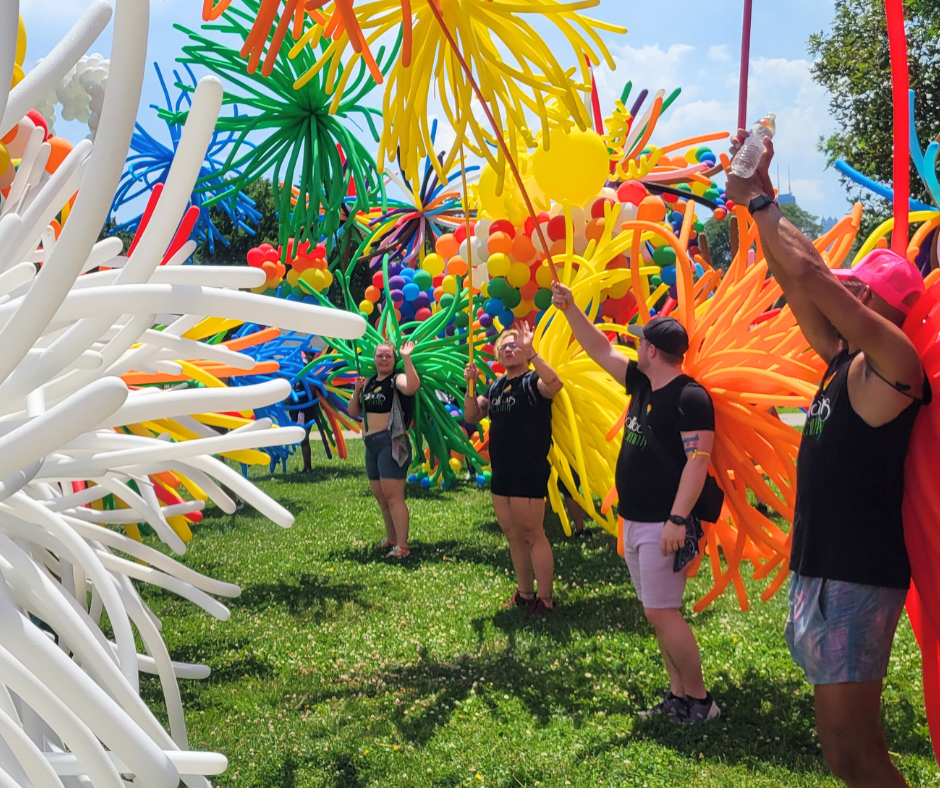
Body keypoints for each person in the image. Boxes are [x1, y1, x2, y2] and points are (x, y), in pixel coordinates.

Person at [725, 132, 929, 787]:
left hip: (858, 575)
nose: (846, 297)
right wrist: (763, 198)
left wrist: (758, 201)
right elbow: (797, 275)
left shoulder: (896, 367)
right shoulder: (846, 362)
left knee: (850, 752)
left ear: (874, 303)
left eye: (858, 292)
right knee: (845, 746)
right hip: (822, 567)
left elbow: (812, 274)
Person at [551, 284, 720, 724]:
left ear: (652, 349)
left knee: (662, 612)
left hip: (664, 523)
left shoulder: (689, 397)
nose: (634, 345)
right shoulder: (643, 383)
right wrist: (571, 311)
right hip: (637, 520)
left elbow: (697, 464)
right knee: (657, 613)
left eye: (641, 340)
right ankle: (678, 696)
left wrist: (678, 519)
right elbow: (600, 349)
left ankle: (701, 702)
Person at [463, 322, 564, 615]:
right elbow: (472, 414)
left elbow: (554, 384)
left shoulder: (533, 381)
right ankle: (524, 592)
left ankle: (544, 599)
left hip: (528, 468)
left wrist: (533, 354)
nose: (509, 348)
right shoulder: (496, 385)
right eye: (504, 346)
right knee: (512, 534)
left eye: (514, 344)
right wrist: (470, 385)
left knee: (533, 533)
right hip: (502, 470)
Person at [348, 341, 420, 558]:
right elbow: (354, 411)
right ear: (374, 359)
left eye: (388, 356)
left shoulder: (396, 379)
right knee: (381, 496)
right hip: (371, 445)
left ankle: (403, 546)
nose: (384, 359)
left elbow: (412, 387)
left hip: (391, 442)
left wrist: (407, 357)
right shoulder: (369, 382)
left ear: (394, 359)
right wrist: (357, 391)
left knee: (393, 496)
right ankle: (391, 539)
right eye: (380, 356)